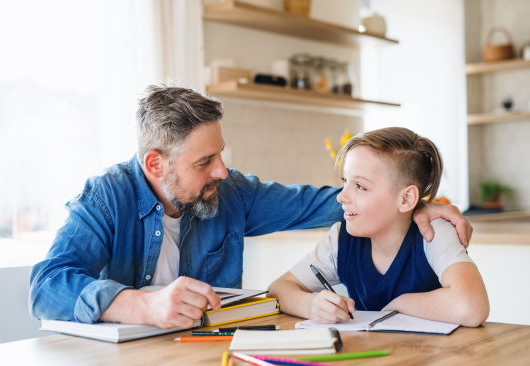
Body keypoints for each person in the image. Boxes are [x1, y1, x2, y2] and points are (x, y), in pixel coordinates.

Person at [29, 85, 473, 329]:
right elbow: (46, 286)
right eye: (205, 162)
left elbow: (331, 203)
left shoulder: (231, 193)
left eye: (221, 153)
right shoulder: (106, 198)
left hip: (206, 360)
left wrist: (416, 205)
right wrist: (142, 308)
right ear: (155, 164)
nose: (222, 171)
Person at [268, 127, 489, 328]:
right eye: (345, 181)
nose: (342, 196)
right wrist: (310, 305)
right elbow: (278, 289)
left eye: (360, 186)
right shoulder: (340, 239)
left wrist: (400, 304)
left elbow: (471, 306)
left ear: (406, 199)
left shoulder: (432, 232)